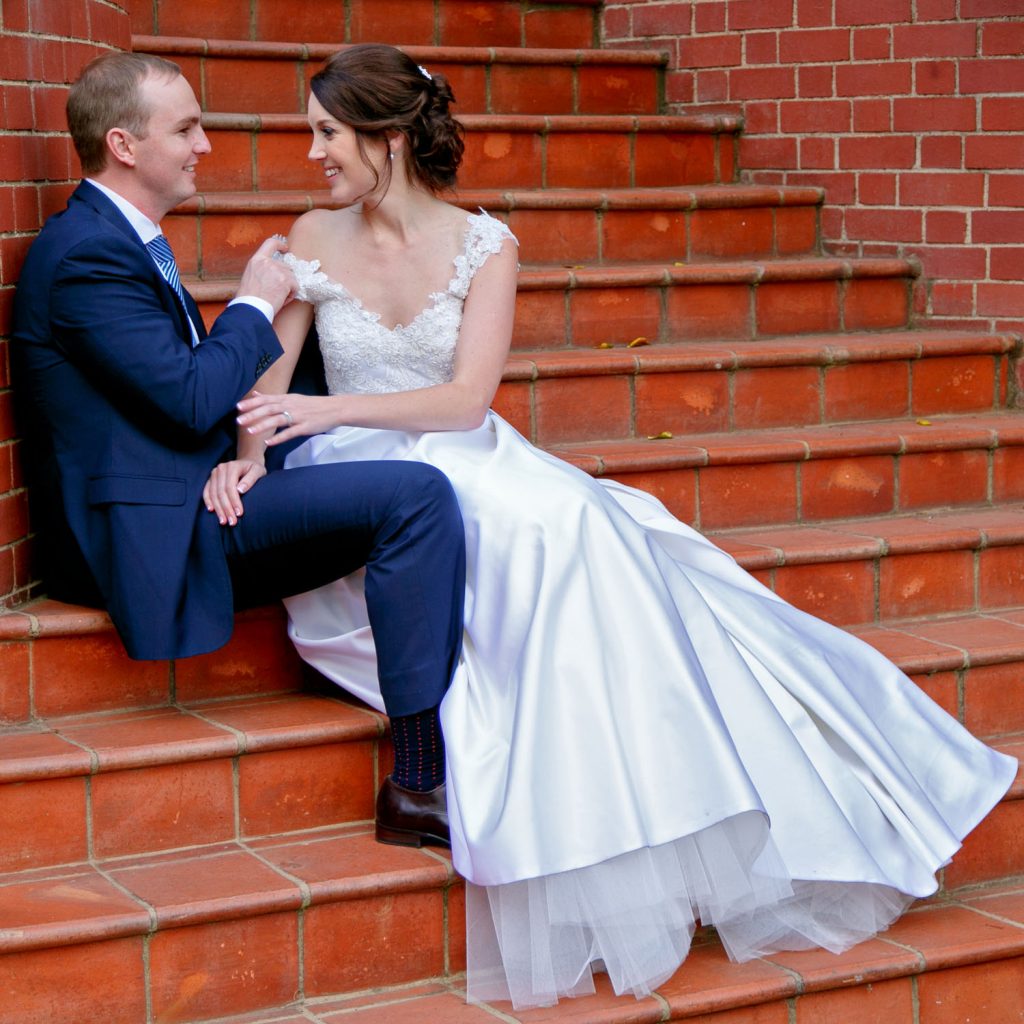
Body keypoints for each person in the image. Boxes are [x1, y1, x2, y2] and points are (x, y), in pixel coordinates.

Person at [204, 44, 1017, 1011]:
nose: (313, 152)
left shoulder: (485, 245)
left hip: (456, 447)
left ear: (385, 137)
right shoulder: (310, 234)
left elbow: (466, 401)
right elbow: (267, 382)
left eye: (328, 132)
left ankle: (661, 795)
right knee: (535, 533)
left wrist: (325, 412)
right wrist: (248, 456)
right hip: (363, 472)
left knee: (574, 523)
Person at [11, 51, 468, 846]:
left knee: (324, 376)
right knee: (417, 496)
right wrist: (256, 299)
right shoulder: (85, 256)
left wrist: (246, 453)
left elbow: (180, 397)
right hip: (150, 529)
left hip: (192, 478)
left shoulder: (116, 239)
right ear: (124, 146)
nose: (205, 146)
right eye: (186, 129)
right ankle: (419, 781)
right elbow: (192, 397)